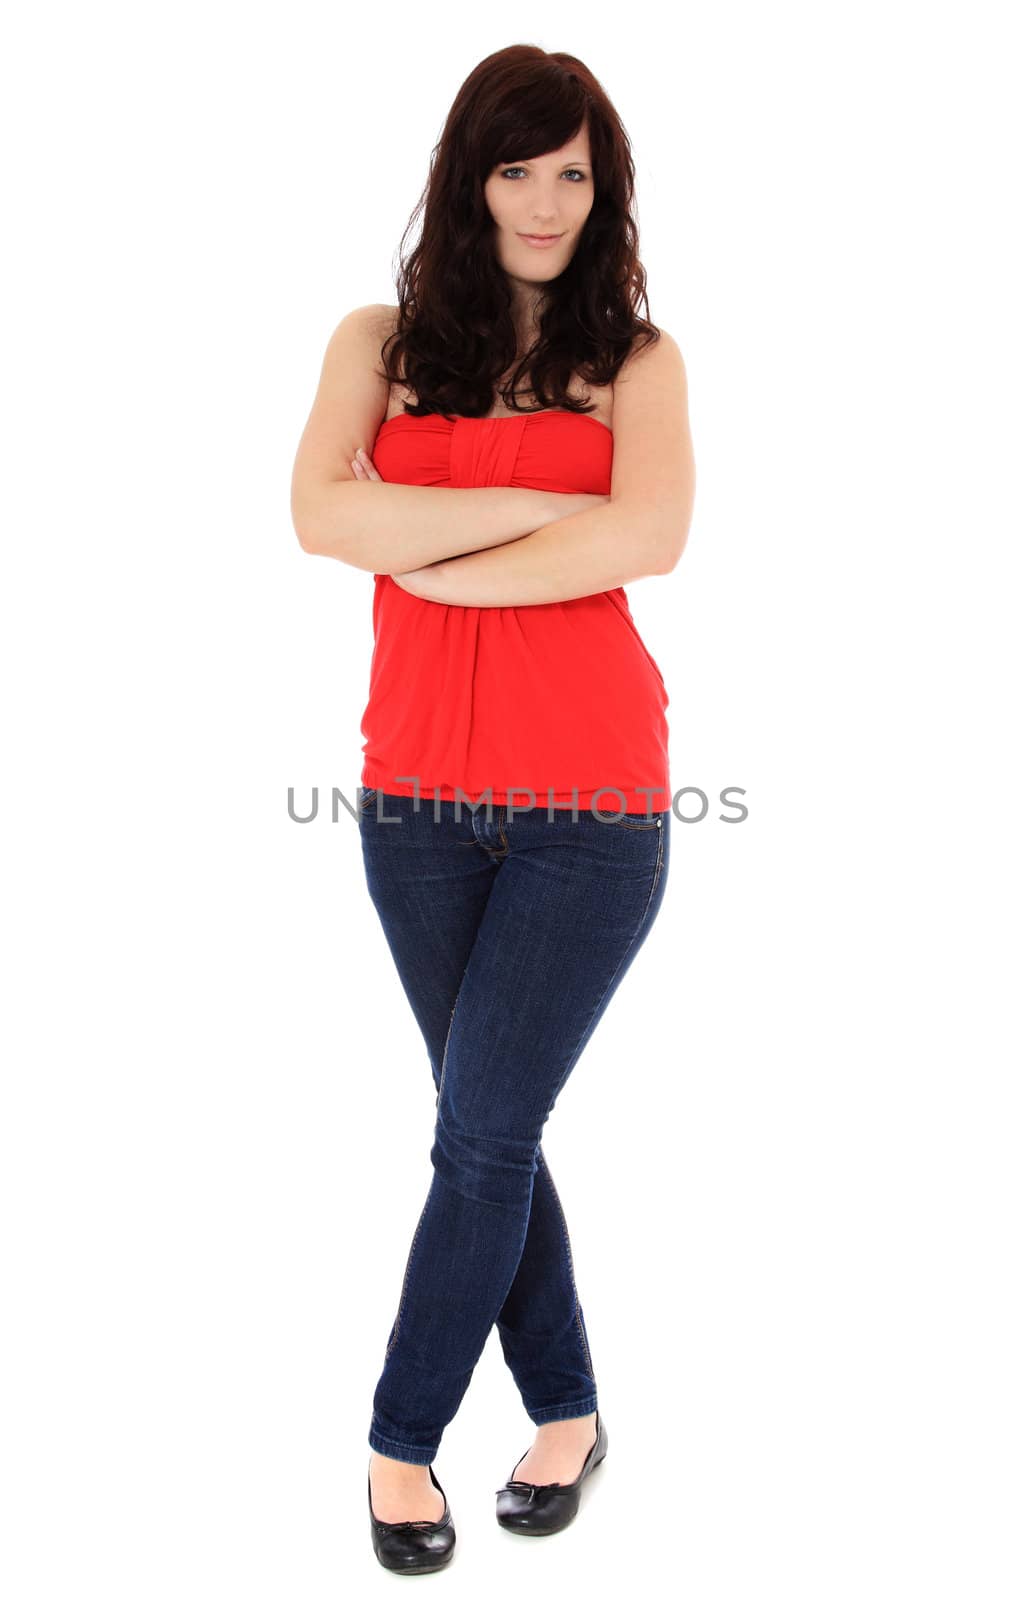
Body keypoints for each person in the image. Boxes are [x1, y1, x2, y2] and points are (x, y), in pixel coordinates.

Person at [291, 43, 695, 1574]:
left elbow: (648, 543)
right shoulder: (379, 339)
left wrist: (426, 548)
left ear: (607, 191)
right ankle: (574, 1412)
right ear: (471, 178)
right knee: (494, 1131)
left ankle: (400, 1445)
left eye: (574, 172)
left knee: (477, 1140)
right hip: (415, 804)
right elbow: (321, 516)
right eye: (517, 169)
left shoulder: (640, 362)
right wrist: (549, 504)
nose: (545, 200)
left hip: (594, 805)